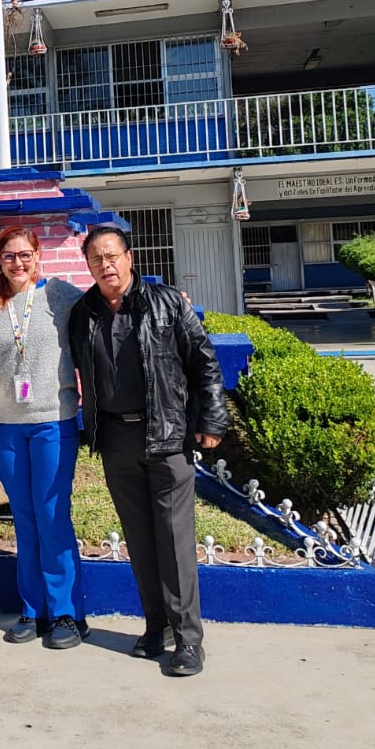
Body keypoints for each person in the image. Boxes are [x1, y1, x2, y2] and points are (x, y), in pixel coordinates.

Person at [67, 225, 227, 677]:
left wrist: (211, 420)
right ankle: (156, 625)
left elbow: (204, 362)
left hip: (168, 437)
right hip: (116, 440)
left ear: (130, 257)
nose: (106, 265)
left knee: (174, 542)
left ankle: (189, 639)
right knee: (139, 541)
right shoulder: (84, 314)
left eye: (112, 255)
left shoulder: (168, 304)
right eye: (96, 258)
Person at [0, 226, 87, 649]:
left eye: (25, 255)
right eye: (9, 256)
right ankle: (33, 610)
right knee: (24, 517)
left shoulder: (60, 295)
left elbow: (105, 310)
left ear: (38, 256)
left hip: (53, 420)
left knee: (52, 515)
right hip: (6, 426)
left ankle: (67, 613)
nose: (18, 263)